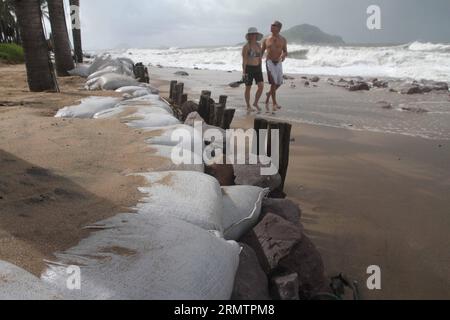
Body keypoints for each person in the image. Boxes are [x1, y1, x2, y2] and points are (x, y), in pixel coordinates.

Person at [262, 20, 288, 114]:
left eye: (274, 25)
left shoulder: (283, 39)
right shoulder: (266, 40)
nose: (272, 27)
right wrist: (257, 62)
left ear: (279, 28)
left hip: (278, 62)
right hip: (269, 62)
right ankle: (274, 103)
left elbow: (285, 51)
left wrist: (283, 55)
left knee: (279, 82)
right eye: (271, 25)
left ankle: (269, 94)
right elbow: (261, 52)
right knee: (273, 83)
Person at [242, 27, 264, 114]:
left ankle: (255, 103)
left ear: (256, 35)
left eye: (255, 34)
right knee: (248, 88)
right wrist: (244, 72)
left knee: (261, 86)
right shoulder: (246, 47)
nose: (253, 35)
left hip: (258, 68)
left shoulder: (259, 45)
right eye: (251, 34)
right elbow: (244, 60)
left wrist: (261, 68)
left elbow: (260, 58)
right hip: (249, 68)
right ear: (249, 36)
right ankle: (248, 106)